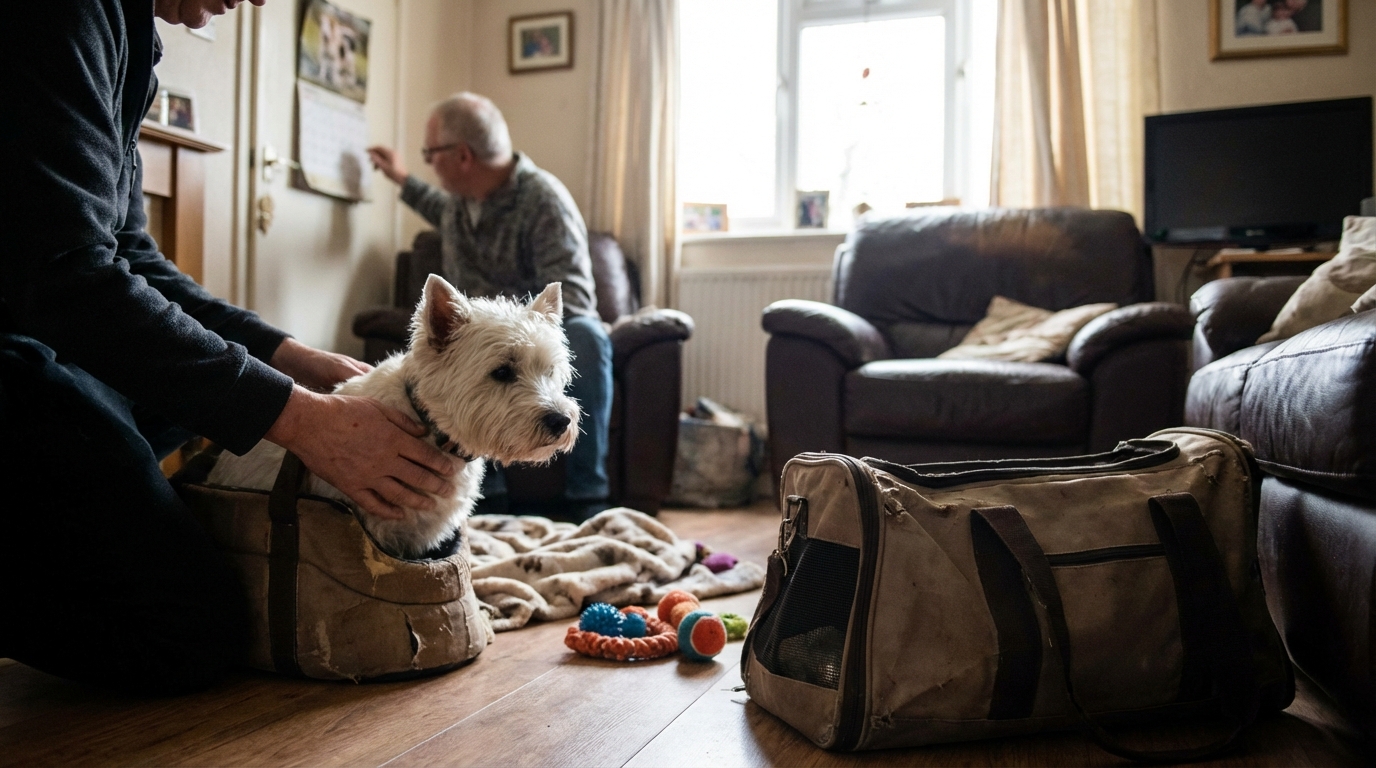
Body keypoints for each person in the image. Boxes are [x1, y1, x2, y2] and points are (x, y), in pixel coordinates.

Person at [0, 0, 460, 694]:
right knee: (186, 629)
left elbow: (130, 258)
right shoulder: (62, 15)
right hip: (21, 347)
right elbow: (69, 277)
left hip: (51, 332)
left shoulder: (130, 32)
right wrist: (303, 420)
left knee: (204, 409)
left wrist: (291, 359)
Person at [367, 93, 613, 521]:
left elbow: (571, 295)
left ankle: (586, 497)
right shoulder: (460, 204)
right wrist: (400, 176)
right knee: (464, 368)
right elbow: (433, 203)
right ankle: (488, 502)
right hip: (472, 345)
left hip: (528, 331)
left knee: (587, 337)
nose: (430, 164)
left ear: (462, 156)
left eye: (430, 154)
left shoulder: (544, 201)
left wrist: (508, 329)